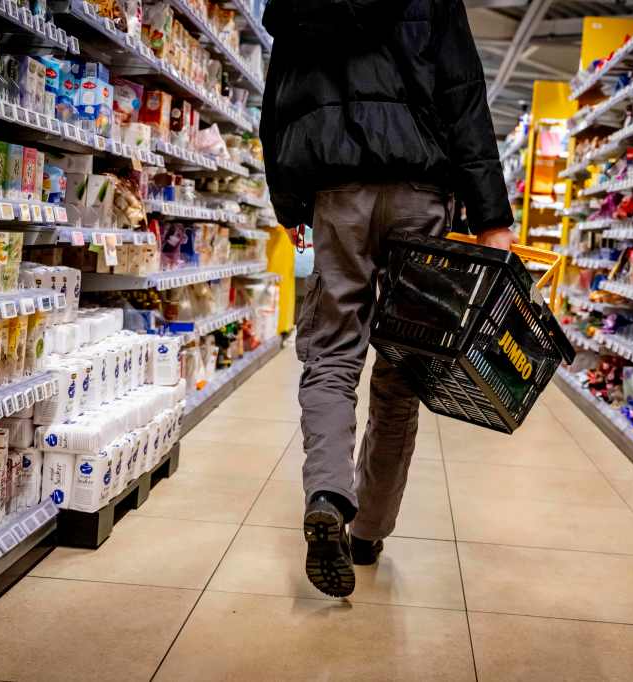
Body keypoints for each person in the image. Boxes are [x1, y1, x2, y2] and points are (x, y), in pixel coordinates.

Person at [260, 0, 515, 598]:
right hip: (421, 195)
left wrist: (287, 199)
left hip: (338, 193)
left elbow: (279, 102)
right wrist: (491, 216)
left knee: (330, 353)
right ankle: (369, 530)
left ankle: (327, 493)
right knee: (403, 363)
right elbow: (463, 95)